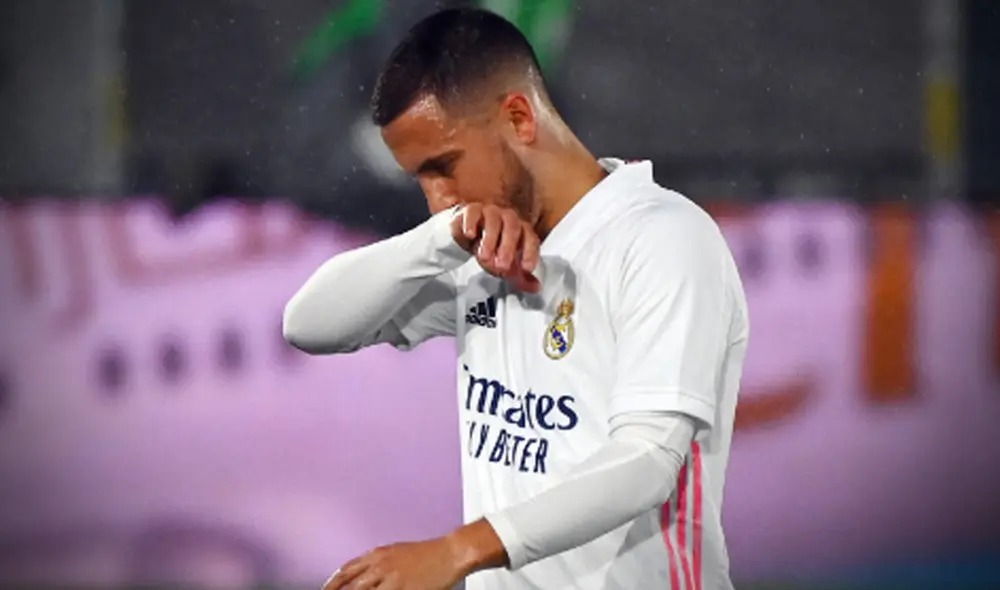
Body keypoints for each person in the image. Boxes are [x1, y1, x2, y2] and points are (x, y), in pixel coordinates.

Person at [283, 7, 748, 590]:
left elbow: (649, 460)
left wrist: (457, 551)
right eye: (419, 178)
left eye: (443, 167)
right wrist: (437, 240)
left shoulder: (663, 238)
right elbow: (309, 324)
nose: (438, 199)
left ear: (520, 118)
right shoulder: (474, 253)